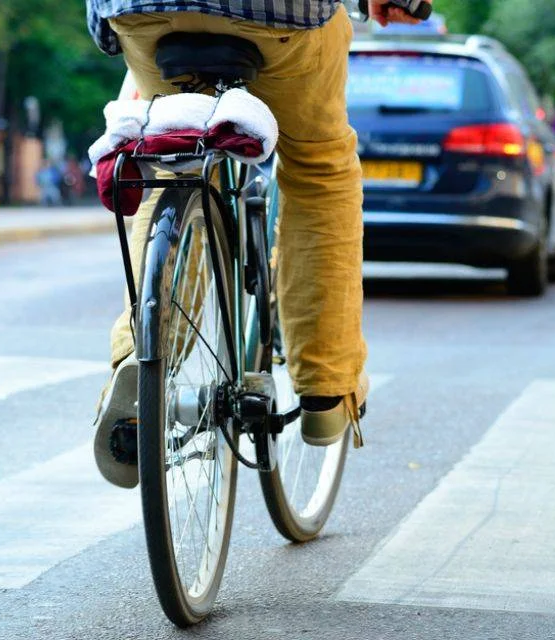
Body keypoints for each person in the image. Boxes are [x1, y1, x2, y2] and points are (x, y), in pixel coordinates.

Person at [86, 0, 432, 488]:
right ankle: (326, 389)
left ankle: (143, 360)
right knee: (318, 164)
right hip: (278, 15)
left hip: (143, 11)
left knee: (170, 162)